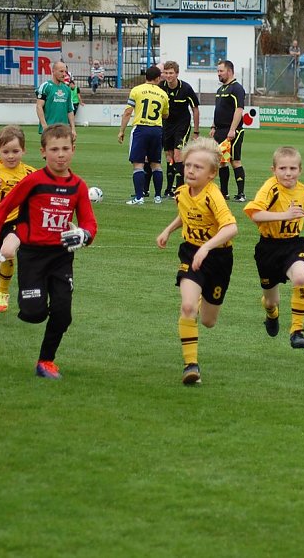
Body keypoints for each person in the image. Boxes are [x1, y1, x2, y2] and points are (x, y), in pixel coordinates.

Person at [0, 124, 98, 379]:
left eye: (65, 148)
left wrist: (85, 235)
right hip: (32, 256)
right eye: (54, 149)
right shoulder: (33, 181)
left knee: (63, 314)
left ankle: (46, 361)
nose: (60, 154)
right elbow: (3, 208)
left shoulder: (78, 186)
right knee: (33, 314)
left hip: (61, 257)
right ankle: (24, 298)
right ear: (43, 152)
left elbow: (89, 221)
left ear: (73, 150)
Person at [156, 138, 238, 385]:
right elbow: (186, 213)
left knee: (208, 321)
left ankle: (204, 297)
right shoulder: (182, 192)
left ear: (212, 174)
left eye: (198, 167)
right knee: (188, 307)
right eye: (188, 165)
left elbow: (231, 228)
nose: (190, 170)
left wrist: (207, 247)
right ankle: (191, 365)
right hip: (191, 254)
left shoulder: (214, 196)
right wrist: (168, 230)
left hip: (219, 258)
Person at [243, 147, 304, 349]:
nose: (287, 173)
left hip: (293, 243)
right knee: (271, 301)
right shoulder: (269, 188)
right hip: (268, 247)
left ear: (300, 170)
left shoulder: (301, 189)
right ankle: (271, 315)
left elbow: (300, 204)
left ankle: (297, 331)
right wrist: (285, 215)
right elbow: (255, 214)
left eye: (292, 168)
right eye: (282, 168)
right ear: (273, 170)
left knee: (300, 277)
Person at [0, 125, 36, 314]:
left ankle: (3, 293)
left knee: (7, 252)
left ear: (24, 150)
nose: (11, 156)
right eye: (6, 152)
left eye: (15, 151)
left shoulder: (29, 173)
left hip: (18, 223)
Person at [118, 65, 169, 205]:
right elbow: (166, 114)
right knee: (156, 164)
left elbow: (128, 112)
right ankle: (158, 197)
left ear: (146, 76)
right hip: (157, 130)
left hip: (141, 129)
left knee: (138, 164)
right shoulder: (163, 94)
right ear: (158, 78)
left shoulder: (137, 90)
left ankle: (139, 197)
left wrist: (121, 130)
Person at [159, 60, 201, 198]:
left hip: (182, 125)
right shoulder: (161, 87)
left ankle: (179, 189)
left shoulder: (186, 89)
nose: (168, 76)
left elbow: (195, 109)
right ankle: (169, 189)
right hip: (166, 125)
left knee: (178, 155)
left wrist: (196, 131)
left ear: (177, 74)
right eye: (166, 73)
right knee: (169, 156)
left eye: (171, 73)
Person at [210, 60, 248, 202]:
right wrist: (213, 126)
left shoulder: (237, 88)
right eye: (218, 71)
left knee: (235, 161)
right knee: (221, 162)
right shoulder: (221, 90)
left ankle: (241, 194)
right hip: (219, 131)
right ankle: (224, 192)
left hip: (232, 131)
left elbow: (239, 110)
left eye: (221, 71)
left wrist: (232, 130)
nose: (218, 74)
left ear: (230, 71)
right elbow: (218, 110)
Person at [35, 61, 76, 140]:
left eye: (65, 72)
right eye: (61, 71)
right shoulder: (46, 86)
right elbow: (39, 107)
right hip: (49, 129)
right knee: (51, 151)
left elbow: (70, 110)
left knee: (64, 151)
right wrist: (44, 127)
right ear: (53, 71)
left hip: (64, 129)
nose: (64, 74)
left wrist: (73, 129)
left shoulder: (67, 89)